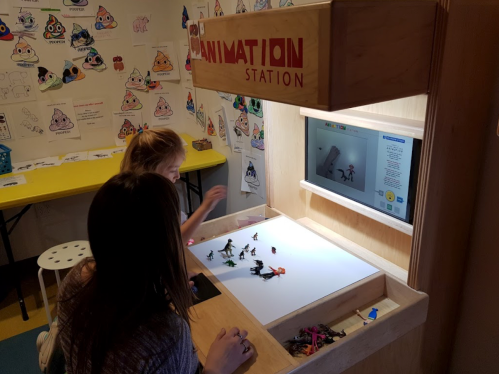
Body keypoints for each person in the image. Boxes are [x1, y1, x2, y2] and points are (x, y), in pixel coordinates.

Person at [58, 172, 253, 374]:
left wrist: (156, 287)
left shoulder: (75, 278)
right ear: (165, 245)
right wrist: (215, 368)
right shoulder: (167, 337)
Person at [121, 128, 226, 244]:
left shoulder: (153, 192)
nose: (178, 176)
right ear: (148, 170)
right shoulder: (148, 204)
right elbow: (176, 242)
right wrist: (205, 208)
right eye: (172, 170)